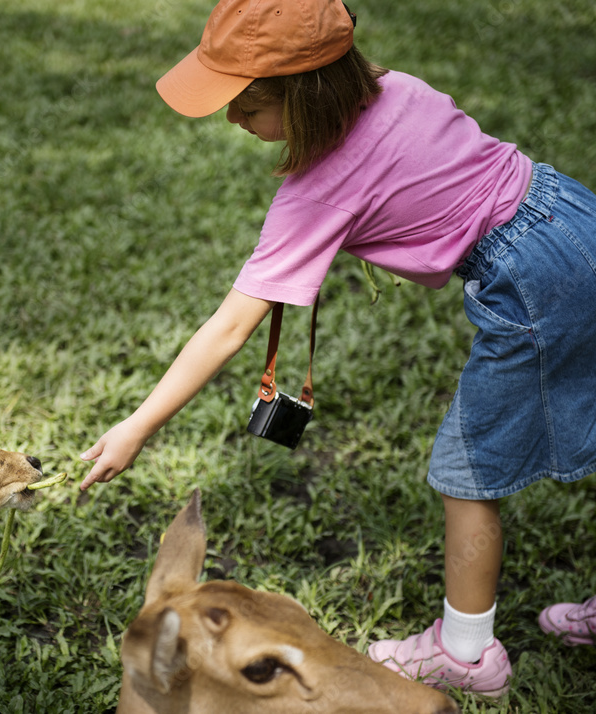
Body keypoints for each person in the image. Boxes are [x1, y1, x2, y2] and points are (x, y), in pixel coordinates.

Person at [78, 0, 596, 697]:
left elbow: (231, 327)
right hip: (571, 214)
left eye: (246, 106)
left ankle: (466, 652)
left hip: (532, 283)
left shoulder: (316, 193)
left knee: (466, 469)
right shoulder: (398, 87)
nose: (233, 120)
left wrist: (136, 426)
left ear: (307, 98)